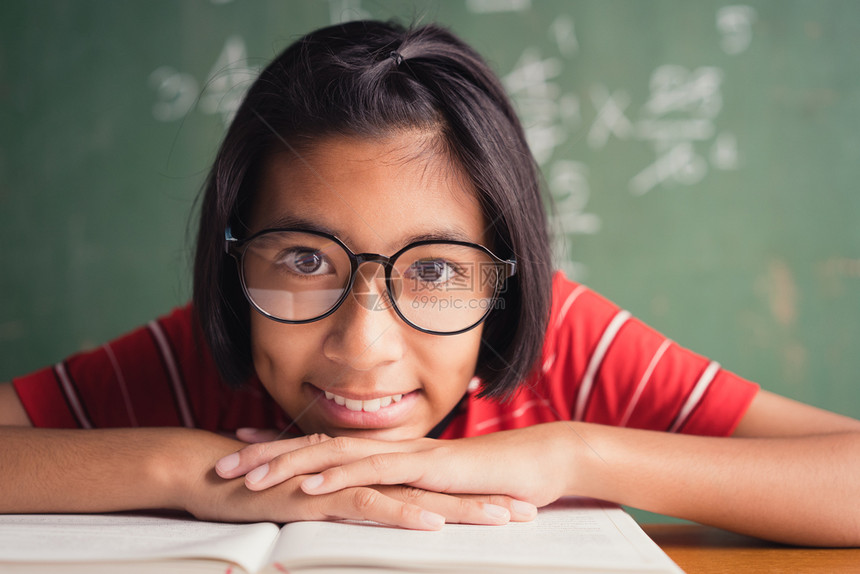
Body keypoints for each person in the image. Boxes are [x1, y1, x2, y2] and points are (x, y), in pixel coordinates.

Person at [2, 20, 859, 547]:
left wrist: (576, 451)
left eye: (440, 270)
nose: (362, 348)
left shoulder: (575, 351)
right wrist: (193, 470)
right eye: (303, 259)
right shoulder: (195, 357)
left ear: (507, 276)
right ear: (233, 262)